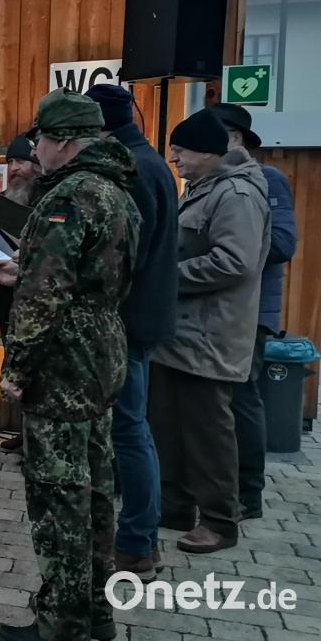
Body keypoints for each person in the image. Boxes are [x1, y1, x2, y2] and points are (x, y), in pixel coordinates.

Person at [0, 90, 139, 641]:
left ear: (66, 143)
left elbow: (45, 296)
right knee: (96, 490)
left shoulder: (69, 197)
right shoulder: (117, 190)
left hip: (64, 361)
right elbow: (91, 276)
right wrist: (26, 273)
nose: (37, 150)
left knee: (58, 497)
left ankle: (60, 624)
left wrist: (17, 367)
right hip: (101, 351)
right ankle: (95, 615)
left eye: (42, 141)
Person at [150, 109, 270, 554]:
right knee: (170, 426)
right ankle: (175, 507)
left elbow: (235, 262)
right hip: (182, 334)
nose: (174, 157)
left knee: (208, 432)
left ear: (208, 152)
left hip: (210, 335)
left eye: (181, 150)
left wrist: (165, 275)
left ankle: (221, 521)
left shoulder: (236, 194)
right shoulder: (203, 189)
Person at [84, 83, 179, 579]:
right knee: (128, 429)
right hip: (139, 315)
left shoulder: (132, 168)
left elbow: (125, 257)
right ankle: (134, 536)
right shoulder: (146, 160)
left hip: (127, 319)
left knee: (129, 430)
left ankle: (139, 542)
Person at [211, 102, 297, 521]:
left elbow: (282, 245)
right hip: (219, 307)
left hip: (253, 310)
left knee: (243, 398)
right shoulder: (209, 182)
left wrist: (228, 243)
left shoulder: (268, 180)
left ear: (236, 139)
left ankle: (249, 493)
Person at [0, 135, 42, 454]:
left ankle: (37, 443)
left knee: (34, 375)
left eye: (21, 161)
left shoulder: (46, 200)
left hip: (36, 302)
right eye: (10, 162)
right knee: (12, 364)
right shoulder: (5, 198)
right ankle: (24, 433)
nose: (14, 168)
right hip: (7, 297)